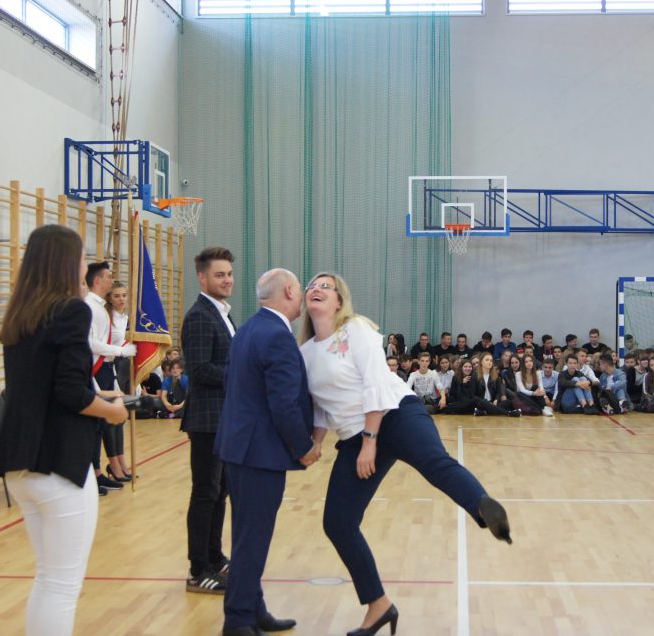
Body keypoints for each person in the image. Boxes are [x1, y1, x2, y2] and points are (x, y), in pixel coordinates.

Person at [299, 272, 511, 636]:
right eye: (312, 286)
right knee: (338, 522)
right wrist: (317, 441)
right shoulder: (305, 352)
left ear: (339, 301)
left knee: (435, 463)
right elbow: (321, 405)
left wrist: (370, 441)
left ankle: (483, 508)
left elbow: (375, 383)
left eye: (326, 286)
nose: (316, 289)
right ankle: (379, 606)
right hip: (354, 436)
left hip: (396, 414)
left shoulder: (356, 329)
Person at [0, 225, 127, 636]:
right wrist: (112, 412)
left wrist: (96, 393)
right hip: (59, 461)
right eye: (82, 257)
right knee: (62, 585)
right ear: (66, 262)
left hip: (20, 460)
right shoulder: (72, 310)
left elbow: (44, 383)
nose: (85, 266)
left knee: (48, 579)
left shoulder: (21, 314)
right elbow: (69, 392)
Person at [215, 269, 314, 636]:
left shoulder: (247, 329)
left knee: (246, 535)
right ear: (288, 291)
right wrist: (303, 447)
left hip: (239, 447)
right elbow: (284, 404)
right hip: (259, 453)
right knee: (253, 538)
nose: (302, 297)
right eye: (300, 289)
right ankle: (238, 619)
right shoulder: (277, 336)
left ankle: (253, 610)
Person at [181, 247, 236, 594]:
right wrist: (241, 375)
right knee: (205, 493)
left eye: (229, 274)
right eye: (220, 275)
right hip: (206, 419)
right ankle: (198, 568)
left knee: (219, 491)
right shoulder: (200, 316)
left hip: (224, 418)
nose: (227, 280)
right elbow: (199, 370)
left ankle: (214, 558)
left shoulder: (222, 313)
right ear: (202, 278)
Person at [84, 262, 136, 495]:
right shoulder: (91, 307)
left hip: (106, 368)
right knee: (96, 424)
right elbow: (91, 344)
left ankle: (98, 472)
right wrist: (120, 351)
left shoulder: (98, 307)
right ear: (97, 280)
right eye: (107, 276)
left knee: (102, 424)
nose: (111, 280)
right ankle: (94, 472)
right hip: (96, 368)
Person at [103, 280, 134, 481]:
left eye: (124, 295)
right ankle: (113, 464)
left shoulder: (125, 318)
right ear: (109, 298)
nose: (121, 299)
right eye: (117, 296)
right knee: (110, 418)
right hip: (106, 367)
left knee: (121, 417)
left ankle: (122, 461)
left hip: (121, 368)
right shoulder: (107, 317)